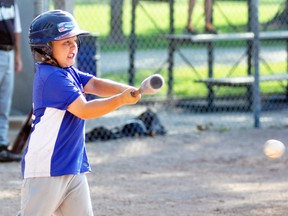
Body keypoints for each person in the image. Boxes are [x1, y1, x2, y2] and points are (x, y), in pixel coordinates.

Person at [19, 10, 141, 216]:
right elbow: (84, 110)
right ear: (45, 49)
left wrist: (127, 89)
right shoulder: (52, 78)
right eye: (65, 42)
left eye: (74, 41)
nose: (73, 46)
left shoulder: (67, 71)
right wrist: (121, 100)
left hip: (71, 166)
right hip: (46, 169)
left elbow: (94, 83)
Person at [0, 0, 23, 162]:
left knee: (4, 101)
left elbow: (17, 31)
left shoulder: (11, 2)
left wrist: (17, 56)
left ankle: (2, 145)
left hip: (8, 53)